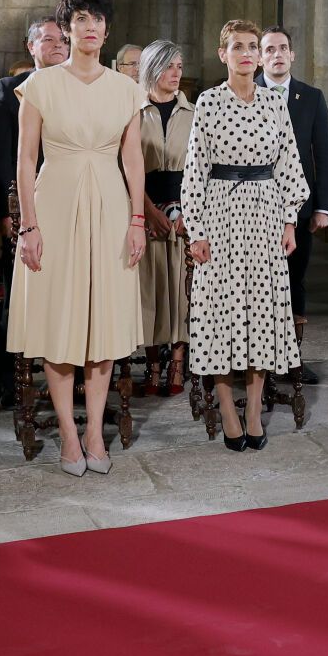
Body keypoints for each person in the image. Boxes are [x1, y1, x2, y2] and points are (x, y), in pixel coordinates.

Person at [10, 0, 145, 477]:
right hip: (56, 202)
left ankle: (94, 433)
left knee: (103, 322)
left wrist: (136, 221)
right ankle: (69, 435)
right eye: (81, 19)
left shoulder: (127, 89)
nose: (90, 27)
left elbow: (133, 160)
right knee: (60, 321)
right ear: (67, 28)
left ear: (107, 30)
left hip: (110, 206)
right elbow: (26, 159)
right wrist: (29, 224)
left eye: (98, 20)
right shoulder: (40, 85)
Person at [182, 20, 308, 452]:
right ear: (223, 54)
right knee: (220, 312)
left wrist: (290, 219)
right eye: (238, 47)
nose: (247, 53)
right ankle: (227, 407)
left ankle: (254, 409)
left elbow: (290, 163)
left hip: (266, 216)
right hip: (220, 215)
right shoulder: (208, 102)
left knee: (262, 313)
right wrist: (195, 230)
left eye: (253, 46)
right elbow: (194, 169)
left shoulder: (275, 104)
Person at [260, 25, 328, 385]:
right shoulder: (246, 93)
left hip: (299, 209)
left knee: (294, 281)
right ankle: (257, 360)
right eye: (269, 49)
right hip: (254, 207)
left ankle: (293, 358)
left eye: (282, 48)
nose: (277, 54)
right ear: (260, 57)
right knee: (257, 285)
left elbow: (324, 154)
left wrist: (323, 207)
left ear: (292, 55)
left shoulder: (311, 97)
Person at [136, 40, 194, 398]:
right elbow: (126, 167)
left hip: (185, 210)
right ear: (152, 68)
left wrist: (190, 210)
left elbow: (202, 168)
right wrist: (146, 210)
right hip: (146, 209)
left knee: (180, 292)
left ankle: (177, 363)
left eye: (179, 66)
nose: (176, 73)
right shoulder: (133, 109)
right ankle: (152, 365)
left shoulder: (194, 111)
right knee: (150, 291)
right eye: (169, 66)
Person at [0, 17, 70, 238]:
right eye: (49, 39)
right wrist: (6, 210)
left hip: (71, 194)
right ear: (31, 46)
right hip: (26, 198)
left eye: (63, 40)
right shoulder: (11, 88)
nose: (58, 45)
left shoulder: (83, 88)